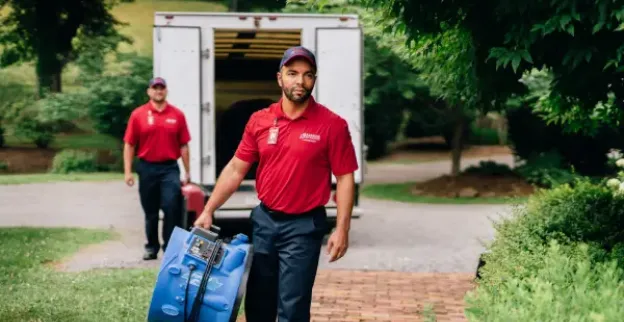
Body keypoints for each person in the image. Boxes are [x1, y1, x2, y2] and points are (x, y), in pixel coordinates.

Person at [194, 46, 359, 321]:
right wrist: (209, 208)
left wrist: (342, 229)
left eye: (307, 75)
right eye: (292, 73)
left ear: (314, 80)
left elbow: (344, 178)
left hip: (305, 226)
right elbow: (236, 168)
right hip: (265, 221)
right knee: (258, 302)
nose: (300, 81)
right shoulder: (260, 120)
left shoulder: (332, 125)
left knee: (292, 307)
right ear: (279, 78)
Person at [123, 77, 191, 261]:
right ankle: (151, 247)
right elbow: (129, 144)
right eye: (155, 88)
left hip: (169, 168)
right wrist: (128, 171)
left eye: (162, 88)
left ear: (166, 91)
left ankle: (169, 247)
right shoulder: (138, 114)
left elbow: (184, 145)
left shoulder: (177, 115)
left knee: (171, 207)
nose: (158, 91)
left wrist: (187, 171)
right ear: (149, 91)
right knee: (150, 211)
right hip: (147, 168)